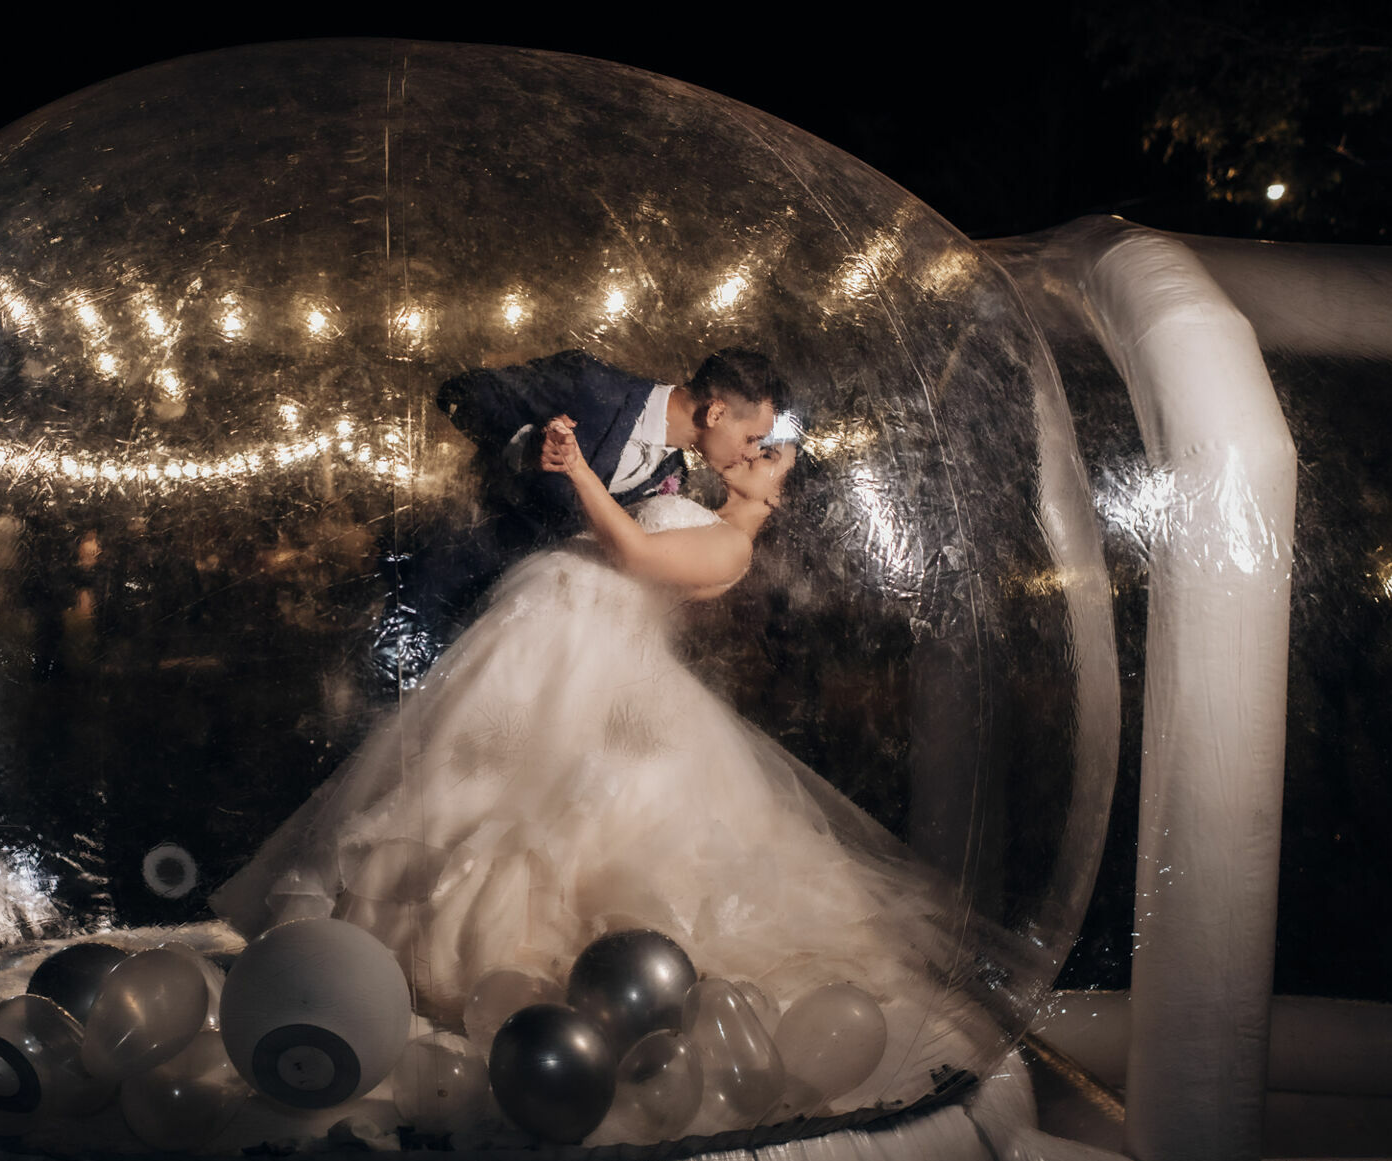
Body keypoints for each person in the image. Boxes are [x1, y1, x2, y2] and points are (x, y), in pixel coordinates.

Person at [212, 419, 945, 1038]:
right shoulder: (704, 509)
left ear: (782, 495)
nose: (756, 452)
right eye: (760, 443)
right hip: (560, 647)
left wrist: (581, 473)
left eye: (773, 458)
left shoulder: (732, 546)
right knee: (472, 781)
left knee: (567, 809)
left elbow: (635, 553)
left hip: (588, 657)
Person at [437, 347, 788, 538]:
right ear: (715, 414)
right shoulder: (590, 383)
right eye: (751, 438)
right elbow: (459, 392)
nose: (751, 453)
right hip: (461, 553)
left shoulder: (676, 477)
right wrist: (527, 445)